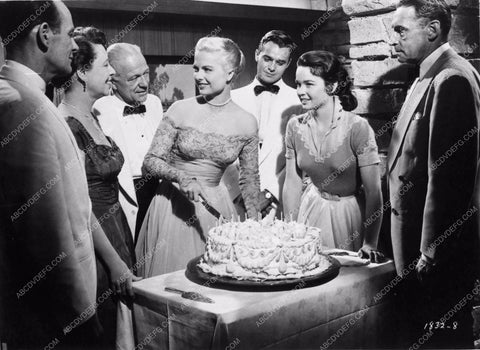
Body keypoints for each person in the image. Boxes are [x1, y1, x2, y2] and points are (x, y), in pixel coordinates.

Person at [0, 2, 133, 348]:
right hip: (55, 318)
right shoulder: (21, 105)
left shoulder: (31, 98)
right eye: (69, 34)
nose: (75, 47)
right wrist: (81, 317)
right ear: (44, 35)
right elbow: (45, 234)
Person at [388, 0, 480, 347]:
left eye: (400, 30)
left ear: (432, 30)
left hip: (434, 252)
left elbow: (451, 176)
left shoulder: (451, 76)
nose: (392, 40)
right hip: (412, 242)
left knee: (439, 338)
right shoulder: (428, 73)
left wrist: (432, 250)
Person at [135, 37, 261, 277]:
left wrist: (255, 226)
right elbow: (150, 162)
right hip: (171, 207)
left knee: (215, 282)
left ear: (229, 73)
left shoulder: (246, 122)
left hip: (215, 209)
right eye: (196, 68)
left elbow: (250, 181)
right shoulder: (179, 110)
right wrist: (180, 177)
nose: (198, 75)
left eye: (207, 69)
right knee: (171, 284)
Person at [57, 27, 138, 349]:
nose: (113, 72)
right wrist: (114, 263)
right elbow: (78, 206)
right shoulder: (66, 124)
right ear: (81, 71)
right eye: (105, 65)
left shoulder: (95, 116)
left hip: (118, 230)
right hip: (94, 243)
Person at [283, 50, 384, 262]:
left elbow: (374, 191)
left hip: (348, 215)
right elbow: (292, 182)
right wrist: (289, 229)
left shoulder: (357, 128)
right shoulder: (294, 126)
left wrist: (370, 242)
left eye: (309, 84)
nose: (300, 91)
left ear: (331, 86)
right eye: (298, 84)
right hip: (311, 208)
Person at [223, 30, 301, 216]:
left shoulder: (299, 102)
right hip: (235, 201)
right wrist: (240, 194)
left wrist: (269, 194)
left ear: (288, 64)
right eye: (267, 59)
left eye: (280, 62)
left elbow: (299, 159)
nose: (272, 67)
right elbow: (221, 152)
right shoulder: (230, 98)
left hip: (278, 203)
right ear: (257, 54)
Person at [93, 43, 163, 241]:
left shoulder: (155, 103)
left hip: (158, 193)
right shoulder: (100, 110)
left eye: (146, 73)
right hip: (123, 198)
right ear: (113, 80)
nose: (144, 83)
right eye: (133, 78)